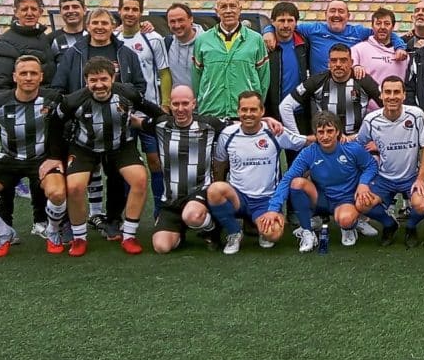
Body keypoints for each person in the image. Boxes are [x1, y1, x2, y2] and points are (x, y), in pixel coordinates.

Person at [0, 53, 68, 257]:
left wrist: (55, 156)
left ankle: (53, 231)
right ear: (14, 77)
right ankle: (4, 232)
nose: (28, 77)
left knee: (57, 193)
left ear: (41, 77)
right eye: (23, 73)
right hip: (8, 159)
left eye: (33, 73)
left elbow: (62, 124)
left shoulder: (53, 99)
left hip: (41, 160)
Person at [58, 58, 156, 256]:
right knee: (75, 186)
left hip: (120, 146)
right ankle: (79, 238)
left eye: (104, 79)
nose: (99, 84)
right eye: (93, 80)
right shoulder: (73, 100)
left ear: (113, 78)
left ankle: (129, 235)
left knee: (140, 179)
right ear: (86, 80)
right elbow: (54, 124)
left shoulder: (128, 93)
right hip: (84, 148)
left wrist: (145, 124)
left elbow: (156, 112)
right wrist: (55, 156)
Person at [0, 0, 59, 236]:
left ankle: (40, 221)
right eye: (24, 9)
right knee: (7, 173)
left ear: (41, 11)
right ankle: (3, 225)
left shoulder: (45, 39)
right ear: (15, 12)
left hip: (42, 115)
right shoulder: (4, 43)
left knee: (40, 168)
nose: (29, 13)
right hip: (14, 118)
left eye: (34, 8)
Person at [259, 111, 379, 252]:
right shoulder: (308, 152)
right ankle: (307, 231)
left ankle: (350, 225)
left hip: (344, 199)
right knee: (296, 182)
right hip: (320, 199)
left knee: (346, 220)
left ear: (338, 132)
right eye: (321, 132)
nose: (325, 136)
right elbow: (287, 179)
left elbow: (371, 165)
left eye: (329, 131)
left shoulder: (351, 148)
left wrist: (363, 183)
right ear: (315, 134)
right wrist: (273, 209)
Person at [207, 91, 310, 254]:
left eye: (253, 110)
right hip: (238, 197)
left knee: (273, 235)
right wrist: (220, 189)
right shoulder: (228, 134)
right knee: (214, 190)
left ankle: (263, 226)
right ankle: (234, 233)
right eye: (244, 110)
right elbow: (219, 163)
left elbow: (303, 141)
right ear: (238, 111)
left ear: (262, 111)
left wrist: (337, 138)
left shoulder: (274, 131)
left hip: (265, 200)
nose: (248, 114)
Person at [140, 84, 226, 254]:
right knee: (161, 247)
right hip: (171, 201)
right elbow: (134, 122)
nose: (180, 109)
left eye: (185, 103)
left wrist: (267, 120)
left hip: (200, 194)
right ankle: (180, 231)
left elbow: (240, 124)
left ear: (194, 104)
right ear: (170, 105)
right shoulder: (161, 124)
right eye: (176, 104)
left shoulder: (209, 124)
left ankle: (213, 228)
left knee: (192, 215)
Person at [355, 76, 424, 248]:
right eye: (388, 92)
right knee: (362, 203)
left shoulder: (416, 115)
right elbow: (359, 147)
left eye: (397, 92)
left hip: (411, 176)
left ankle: (411, 227)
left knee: (421, 205)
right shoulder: (371, 120)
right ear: (381, 95)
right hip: (383, 177)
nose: (392, 96)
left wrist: (421, 178)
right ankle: (389, 224)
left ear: (404, 95)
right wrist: (368, 170)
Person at [116, 0, 172, 210]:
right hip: (122, 116)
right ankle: (124, 214)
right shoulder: (113, 39)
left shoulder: (154, 38)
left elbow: (165, 73)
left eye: (135, 9)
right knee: (125, 167)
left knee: (156, 162)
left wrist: (164, 105)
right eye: (126, 8)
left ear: (141, 12)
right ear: (119, 11)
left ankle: (160, 211)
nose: (130, 13)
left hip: (149, 112)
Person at [271, 0, 407, 73]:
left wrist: (400, 46)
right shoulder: (313, 29)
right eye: (332, 11)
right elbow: (286, 26)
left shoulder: (358, 32)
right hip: (318, 89)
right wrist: (268, 31)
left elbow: (384, 32)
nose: (336, 15)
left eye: (341, 11)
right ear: (325, 15)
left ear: (348, 16)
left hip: (347, 87)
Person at [192, 0, 270, 119]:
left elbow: (264, 77)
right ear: (217, 11)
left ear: (240, 10)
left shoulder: (256, 39)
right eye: (223, 7)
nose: (228, 11)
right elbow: (197, 76)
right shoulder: (202, 40)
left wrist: (256, 103)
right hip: (211, 111)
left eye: (232, 6)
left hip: (245, 113)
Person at [278, 43, 381, 139]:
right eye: (334, 60)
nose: (338, 64)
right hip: (325, 142)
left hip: (357, 141)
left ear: (351, 63)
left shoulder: (363, 80)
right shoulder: (317, 81)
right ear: (329, 63)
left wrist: (373, 137)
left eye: (343, 60)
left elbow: (389, 104)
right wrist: (297, 139)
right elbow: (285, 106)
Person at [265, 1, 311, 119]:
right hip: (272, 114)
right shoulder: (264, 46)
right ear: (273, 22)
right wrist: (267, 30)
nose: (286, 25)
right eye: (281, 20)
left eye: (290, 20)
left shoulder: (304, 43)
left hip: (299, 112)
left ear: (296, 23)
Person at [351, 7, 407, 88]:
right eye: (378, 23)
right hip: (368, 100)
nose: (382, 27)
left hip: (396, 100)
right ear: (372, 26)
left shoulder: (404, 54)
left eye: (387, 23)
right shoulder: (358, 50)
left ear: (393, 27)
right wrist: (355, 67)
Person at [163, 2, 200, 90]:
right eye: (172, 21)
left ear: (191, 19)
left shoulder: (207, 43)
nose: (177, 25)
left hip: (204, 102)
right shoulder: (166, 43)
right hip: (179, 102)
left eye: (180, 20)